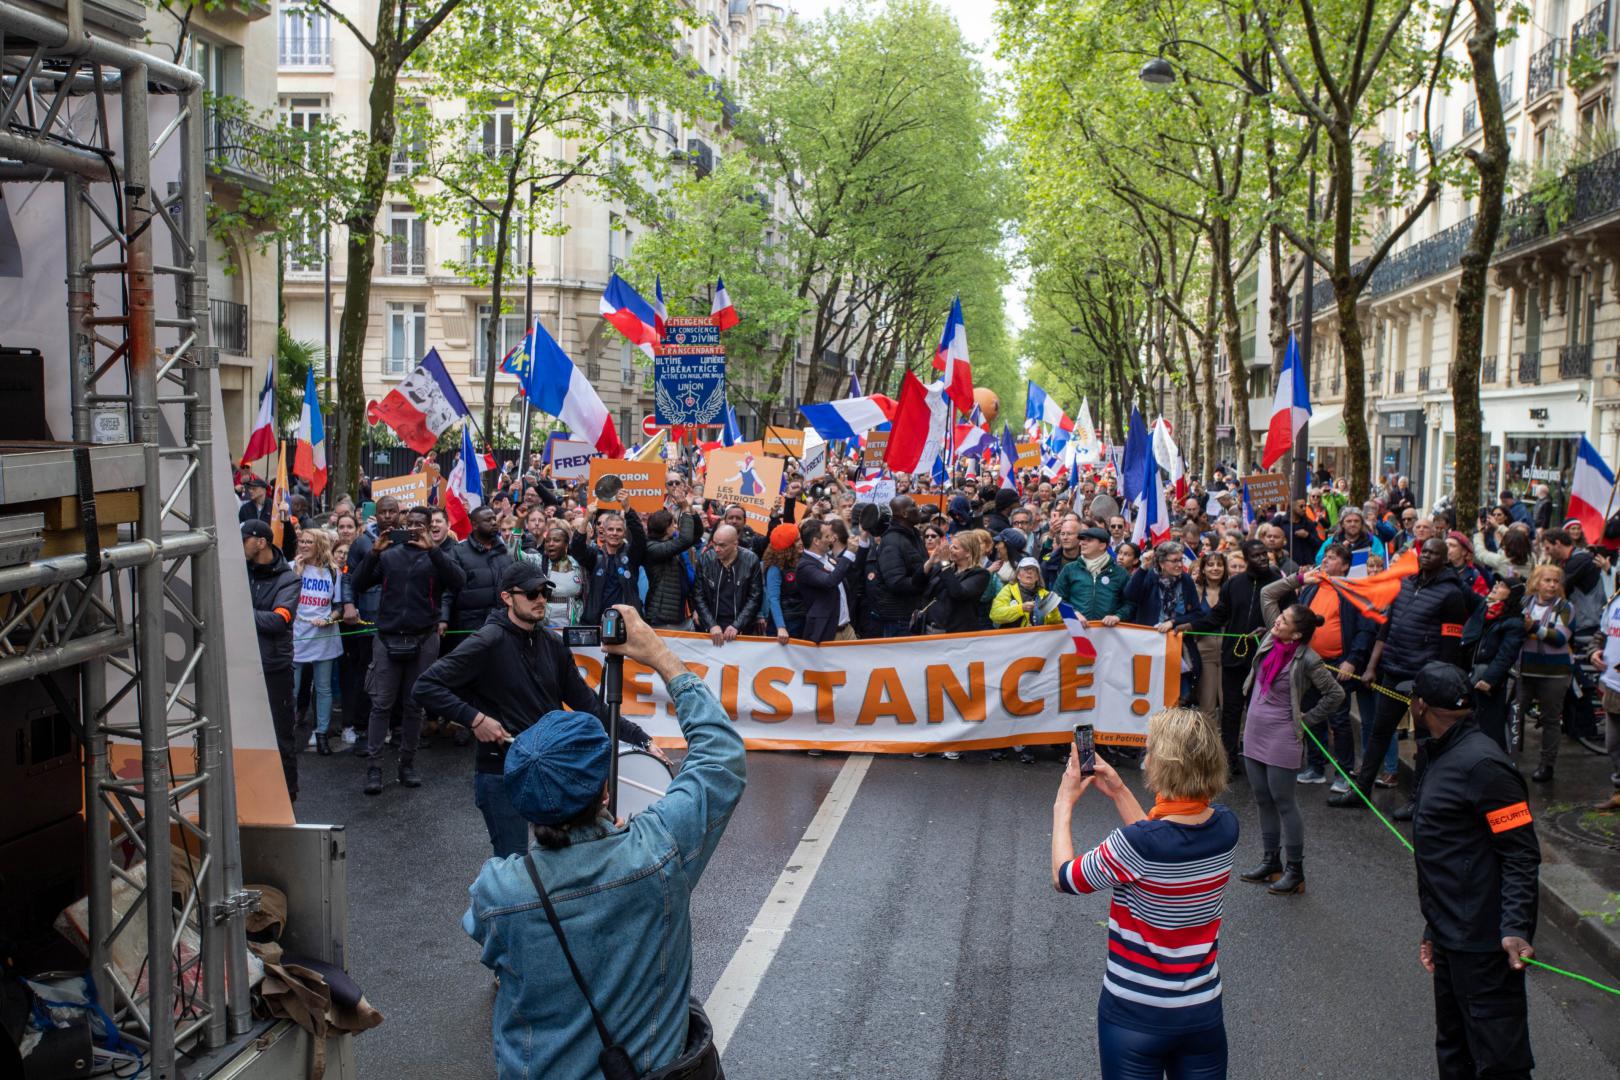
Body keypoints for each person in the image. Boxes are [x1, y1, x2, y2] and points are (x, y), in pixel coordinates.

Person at [462, 604, 741, 1080]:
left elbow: (486, 936)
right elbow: (720, 758)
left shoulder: (497, 890)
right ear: (606, 792)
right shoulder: (656, 852)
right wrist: (660, 656)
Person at [415, 565, 660, 858]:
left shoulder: (552, 644)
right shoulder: (487, 641)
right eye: (532, 593)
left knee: (568, 857)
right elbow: (426, 686)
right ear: (507, 597)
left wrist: (642, 739)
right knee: (515, 861)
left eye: (545, 592)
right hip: (501, 773)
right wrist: (475, 719)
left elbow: (590, 705)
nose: (541, 599)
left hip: (550, 770)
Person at [1050, 707, 1237, 1080]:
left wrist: (1063, 806)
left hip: (1134, 1016)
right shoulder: (1226, 827)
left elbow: (1065, 877)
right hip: (1201, 1012)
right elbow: (1160, 846)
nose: (1145, 759)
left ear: (1164, 766)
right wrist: (1119, 791)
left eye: (1149, 752)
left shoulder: (1135, 845)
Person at [1406, 662, 1540, 1080]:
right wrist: (1434, 928)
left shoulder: (1485, 767)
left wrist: (1515, 926)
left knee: (1499, 1063)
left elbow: (1521, 854)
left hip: (1484, 948)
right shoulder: (1440, 752)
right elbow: (1453, 854)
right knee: (1454, 1050)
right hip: (1450, 935)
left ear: (1421, 706)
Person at [1330, 538, 1475, 815]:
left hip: (1423, 680)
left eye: (1433, 553)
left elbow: (1449, 646)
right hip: (1393, 671)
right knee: (1379, 732)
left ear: (1444, 559)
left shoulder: (1451, 594)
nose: (1426, 556)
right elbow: (1386, 629)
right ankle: (1361, 790)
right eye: (1424, 551)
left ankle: (1417, 801)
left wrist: (1434, 684)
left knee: (1424, 741)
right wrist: (1372, 666)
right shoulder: (1404, 584)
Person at [350, 504, 468, 795]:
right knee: (381, 704)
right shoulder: (389, 554)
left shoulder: (437, 555)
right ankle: (375, 767)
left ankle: (407, 763)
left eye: (420, 524)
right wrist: (374, 552)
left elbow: (459, 582)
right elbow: (358, 583)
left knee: (415, 704)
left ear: (428, 527)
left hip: (424, 637)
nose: (414, 528)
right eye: (410, 523)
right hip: (387, 637)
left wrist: (433, 551)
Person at [1234, 597, 1344, 896]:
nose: (1277, 621)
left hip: (1282, 735)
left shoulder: (1308, 659)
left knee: (1284, 801)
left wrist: (1308, 719)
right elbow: (1269, 593)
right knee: (1262, 798)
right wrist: (1301, 578)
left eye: (1284, 620)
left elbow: (1335, 694)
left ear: (1296, 634)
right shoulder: (1271, 639)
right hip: (1254, 730)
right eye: (1279, 616)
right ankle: (1271, 861)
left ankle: (1295, 871)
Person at [1178, 539, 1280, 774]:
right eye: (1256, 555)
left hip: (1264, 659)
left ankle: (1259, 760)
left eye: (1264, 554)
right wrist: (1190, 626)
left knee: (1258, 711)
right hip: (1234, 657)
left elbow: (1288, 616)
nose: (1262, 558)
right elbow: (1217, 616)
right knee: (1231, 711)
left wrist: (1269, 631)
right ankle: (1228, 762)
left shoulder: (1277, 583)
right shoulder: (1234, 585)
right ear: (1246, 559)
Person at [245, 520, 301, 800]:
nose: (239, 546)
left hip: (274, 668)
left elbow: (278, 621)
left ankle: (287, 795)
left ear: (261, 542)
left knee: (281, 736)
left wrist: (240, 611)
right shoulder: (241, 571)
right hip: (242, 665)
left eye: (244, 540)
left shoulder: (288, 579)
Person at [1517, 564, 1573, 784]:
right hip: (1525, 670)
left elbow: (1560, 638)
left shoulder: (1565, 607)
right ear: (1536, 582)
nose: (1551, 585)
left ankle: (1547, 765)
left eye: (1556, 581)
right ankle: (1508, 760)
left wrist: (1533, 627)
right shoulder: (1525, 602)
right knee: (1514, 714)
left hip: (1554, 673)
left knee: (1550, 719)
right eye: (1547, 580)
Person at [291, 528, 343, 756]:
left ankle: (322, 733)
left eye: (308, 542)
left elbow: (338, 606)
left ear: (319, 545)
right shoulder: (291, 568)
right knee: (291, 688)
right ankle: (287, 734)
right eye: (301, 541)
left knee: (323, 688)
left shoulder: (333, 571)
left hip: (323, 635)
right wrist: (297, 574)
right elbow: (286, 599)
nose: (303, 545)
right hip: (298, 634)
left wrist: (329, 619)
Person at [1467, 579, 1527, 752]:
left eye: (1502, 586)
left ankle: (1494, 759)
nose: (1496, 587)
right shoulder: (1485, 610)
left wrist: (1488, 679)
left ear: (1511, 595)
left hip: (1489, 682)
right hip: (1473, 675)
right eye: (1497, 584)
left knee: (1490, 726)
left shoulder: (1514, 622)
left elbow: (1506, 655)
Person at [796, 517, 866, 643]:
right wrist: (849, 552)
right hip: (828, 632)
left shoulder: (827, 557)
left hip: (847, 629)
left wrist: (863, 540)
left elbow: (851, 567)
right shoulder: (805, 566)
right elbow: (829, 581)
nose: (832, 539)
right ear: (816, 541)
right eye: (827, 536)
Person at [870, 496, 931, 637]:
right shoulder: (892, 542)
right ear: (904, 514)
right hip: (900, 619)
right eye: (914, 505)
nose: (919, 508)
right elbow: (896, 582)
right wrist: (923, 577)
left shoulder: (913, 535)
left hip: (913, 613)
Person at [1052, 526, 1132, 625]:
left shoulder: (1120, 573)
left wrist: (1117, 616)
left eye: (1088, 540)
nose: (1082, 543)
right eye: (1082, 540)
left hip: (1109, 631)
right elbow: (1057, 598)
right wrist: (1073, 613)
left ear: (1102, 546)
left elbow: (1130, 603)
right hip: (1077, 631)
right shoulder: (1070, 569)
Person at [925, 530, 992, 634]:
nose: (950, 550)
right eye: (951, 546)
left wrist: (945, 563)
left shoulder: (980, 574)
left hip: (956, 632)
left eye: (955, 548)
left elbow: (958, 593)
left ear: (968, 552)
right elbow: (918, 584)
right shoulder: (947, 568)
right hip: (932, 627)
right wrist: (930, 562)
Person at [1590, 585, 1620, 812]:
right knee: (1613, 744)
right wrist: (1594, 651)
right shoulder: (1615, 600)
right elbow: (1601, 634)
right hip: (1613, 686)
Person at [990, 557, 1063, 629]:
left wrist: (1053, 611)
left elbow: (1057, 621)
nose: (1029, 572)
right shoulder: (1008, 590)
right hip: (1013, 636)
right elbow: (995, 614)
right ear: (1018, 575)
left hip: (1038, 636)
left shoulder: (1045, 595)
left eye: (1033, 569)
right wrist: (1020, 609)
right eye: (1025, 569)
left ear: (1037, 577)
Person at [763, 523, 805, 641]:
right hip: (786, 624)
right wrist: (781, 627)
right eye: (796, 541)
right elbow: (773, 599)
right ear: (787, 547)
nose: (801, 542)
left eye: (800, 538)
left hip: (802, 620)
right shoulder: (775, 568)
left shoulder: (802, 560)